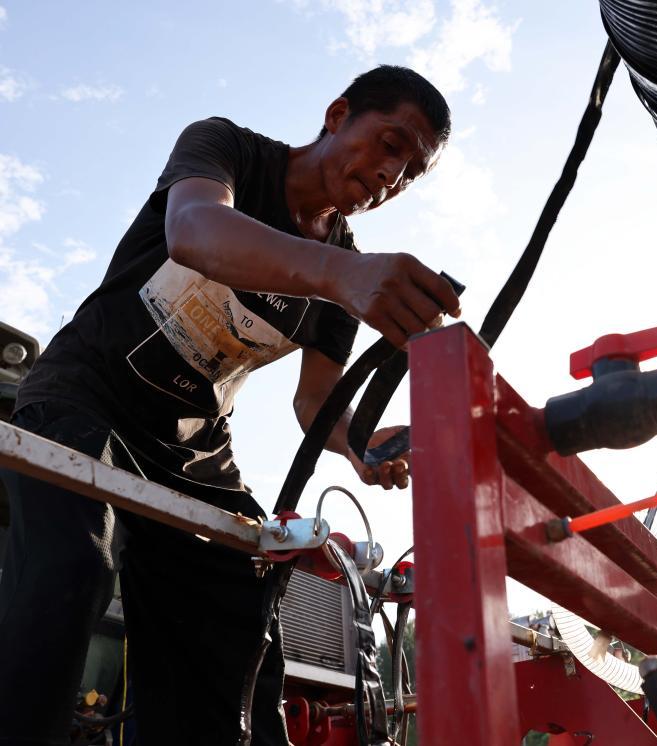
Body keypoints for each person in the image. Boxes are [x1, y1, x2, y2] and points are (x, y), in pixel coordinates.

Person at [0, 65, 460, 745]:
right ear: (338, 114)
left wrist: (360, 443)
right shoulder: (230, 152)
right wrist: (341, 275)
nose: (392, 175)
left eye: (411, 172)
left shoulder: (348, 267)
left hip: (193, 453)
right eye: (390, 144)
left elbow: (314, 404)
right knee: (69, 570)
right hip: (85, 397)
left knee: (240, 617)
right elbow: (195, 230)